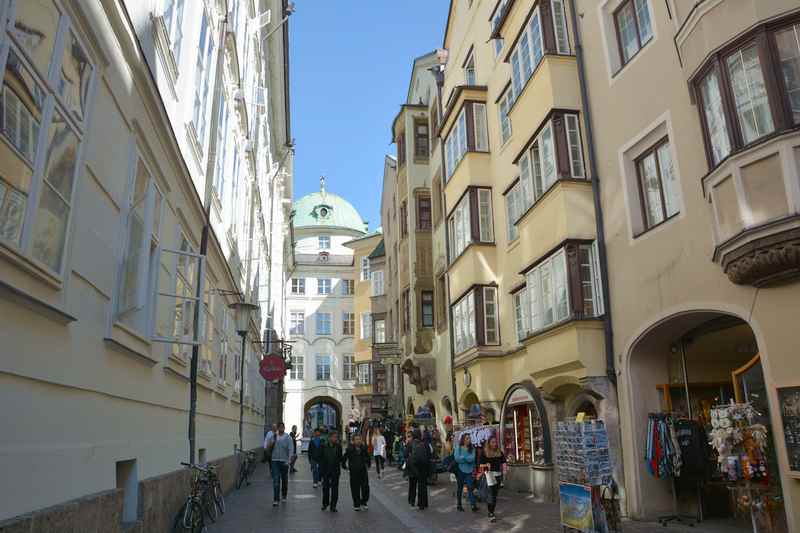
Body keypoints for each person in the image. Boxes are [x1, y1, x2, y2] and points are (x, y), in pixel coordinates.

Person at [479, 436, 507, 522]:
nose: (494, 444)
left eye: (495, 442)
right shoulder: (485, 452)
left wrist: (505, 471)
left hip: (498, 475)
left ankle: (491, 510)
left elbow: (503, 462)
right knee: (491, 494)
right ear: (489, 443)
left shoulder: (499, 452)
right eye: (492, 442)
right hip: (489, 475)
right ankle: (491, 513)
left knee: (494, 495)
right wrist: (486, 465)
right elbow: (480, 465)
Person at [343, 433, 371, 511]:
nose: (358, 441)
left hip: (363, 471)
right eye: (356, 439)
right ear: (353, 441)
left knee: (365, 487)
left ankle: (364, 501)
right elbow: (344, 458)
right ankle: (356, 504)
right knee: (355, 488)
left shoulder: (363, 448)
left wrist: (368, 464)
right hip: (354, 471)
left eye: (359, 439)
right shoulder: (350, 449)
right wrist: (345, 466)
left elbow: (367, 457)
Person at [269, 422, 293, 507]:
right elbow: (269, 446)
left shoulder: (288, 437)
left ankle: (284, 495)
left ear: (284, 428)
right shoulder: (274, 436)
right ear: (278, 428)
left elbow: (291, 449)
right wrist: (273, 440)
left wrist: (289, 460)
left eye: (282, 427)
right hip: (275, 460)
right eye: (279, 427)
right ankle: (276, 499)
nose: (281, 428)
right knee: (276, 480)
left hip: (284, 461)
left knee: (284, 479)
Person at [408, 429, 432, 510]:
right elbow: (430, 453)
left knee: (413, 484)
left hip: (413, 467)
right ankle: (423, 503)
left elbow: (405, 453)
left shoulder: (410, 443)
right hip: (423, 467)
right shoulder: (425, 443)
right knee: (423, 485)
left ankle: (411, 501)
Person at [320, 430, 343, 512]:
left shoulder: (338, 446)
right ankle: (325, 504)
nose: (335, 439)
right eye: (334, 437)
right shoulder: (323, 446)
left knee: (335, 489)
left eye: (336, 437)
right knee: (325, 488)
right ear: (329, 437)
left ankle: (333, 506)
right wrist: (321, 472)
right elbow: (321, 459)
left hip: (335, 470)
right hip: (326, 470)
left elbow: (340, 458)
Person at [454, 433, 478, 512]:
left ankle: (473, 505)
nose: (469, 440)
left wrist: (463, 458)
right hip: (460, 470)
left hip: (469, 471)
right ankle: (459, 504)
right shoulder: (459, 448)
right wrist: (467, 459)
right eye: (467, 438)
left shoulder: (472, 448)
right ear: (463, 439)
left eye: (469, 438)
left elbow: (472, 458)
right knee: (460, 488)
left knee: (470, 487)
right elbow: (457, 458)